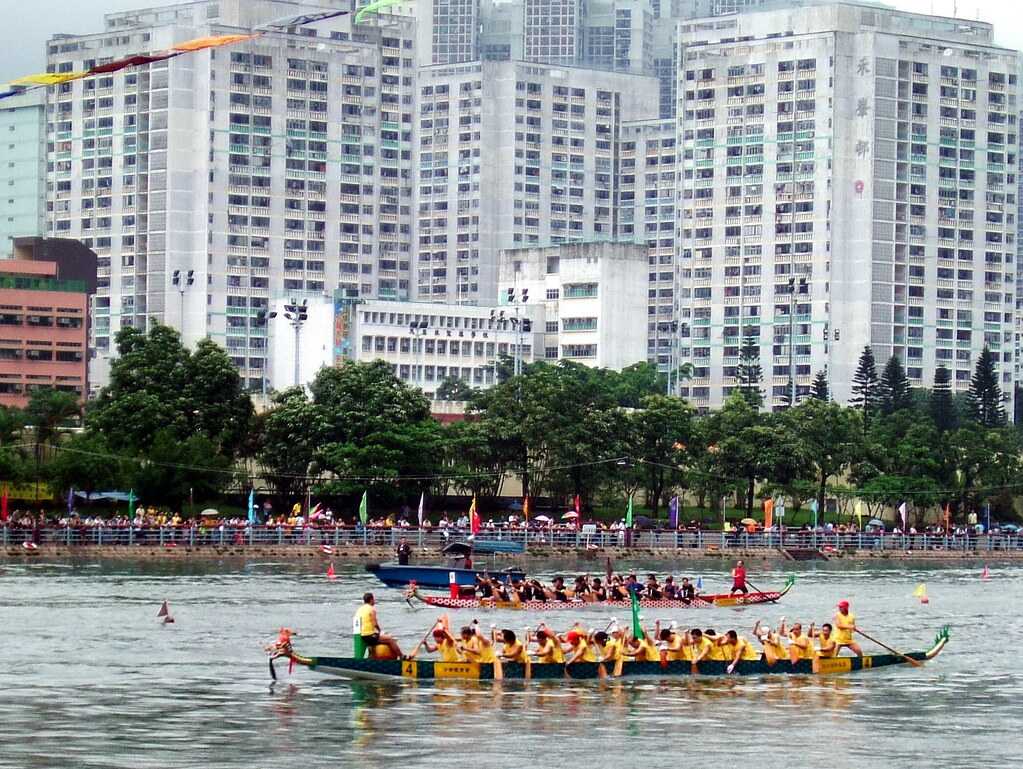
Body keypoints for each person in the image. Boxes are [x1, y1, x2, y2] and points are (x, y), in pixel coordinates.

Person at [354, 593, 403, 660]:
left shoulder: (360, 609)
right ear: (371, 600)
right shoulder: (371, 609)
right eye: (373, 599)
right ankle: (401, 656)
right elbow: (375, 624)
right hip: (369, 635)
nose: (374, 601)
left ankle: (370, 658)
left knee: (373, 642)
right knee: (390, 640)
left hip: (361, 635)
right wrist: (380, 631)